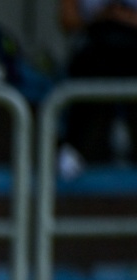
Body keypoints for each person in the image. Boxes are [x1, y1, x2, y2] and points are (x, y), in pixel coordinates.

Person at [60, 0, 137, 166]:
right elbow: (68, 20)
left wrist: (124, 16)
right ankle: (74, 150)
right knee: (90, 66)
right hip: (96, 48)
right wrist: (103, 16)